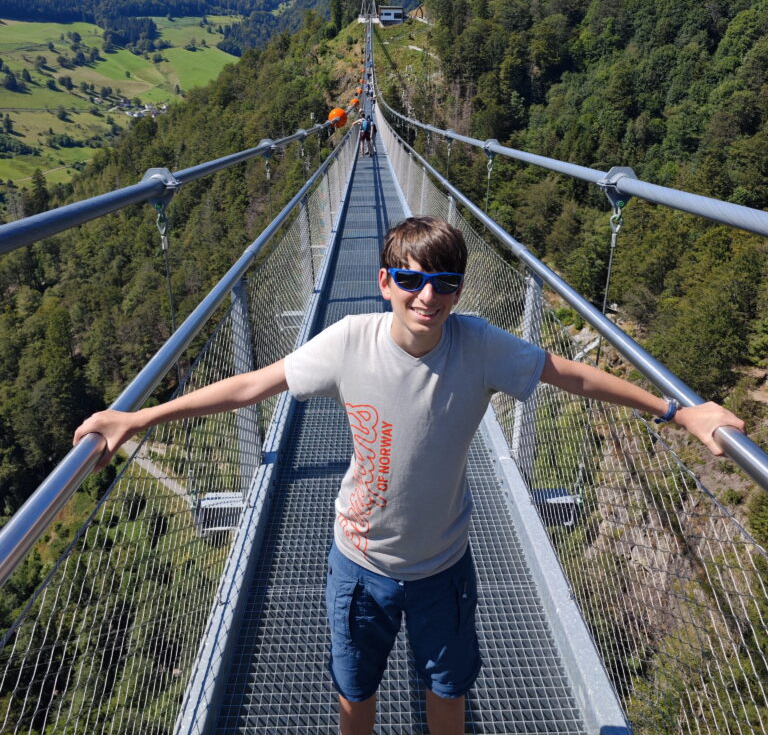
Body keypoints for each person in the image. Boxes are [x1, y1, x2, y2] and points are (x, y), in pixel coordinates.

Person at [74, 216, 745, 735]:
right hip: (358, 562)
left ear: (459, 290)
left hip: (442, 568)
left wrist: (677, 413)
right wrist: (139, 417)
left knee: (448, 691)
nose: (428, 296)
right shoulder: (348, 342)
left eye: (445, 283)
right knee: (354, 691)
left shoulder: (479, 344)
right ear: (384, 281)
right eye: (411, 279)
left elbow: (568, 373)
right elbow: (253, 385)